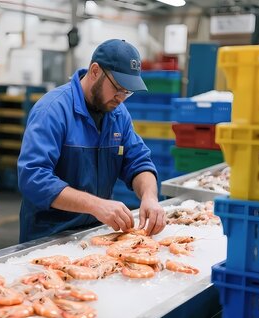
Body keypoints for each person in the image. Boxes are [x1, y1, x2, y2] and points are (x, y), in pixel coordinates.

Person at [17, 39, 166, 243]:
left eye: (127, 92)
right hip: (48, 238)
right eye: (118, 88)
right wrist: (95, 205)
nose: (121, 98)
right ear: (95, 71)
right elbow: (33, 178)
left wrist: (149, 196)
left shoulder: (118, 115)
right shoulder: (52, 110)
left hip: (94, 235)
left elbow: (138, 162)